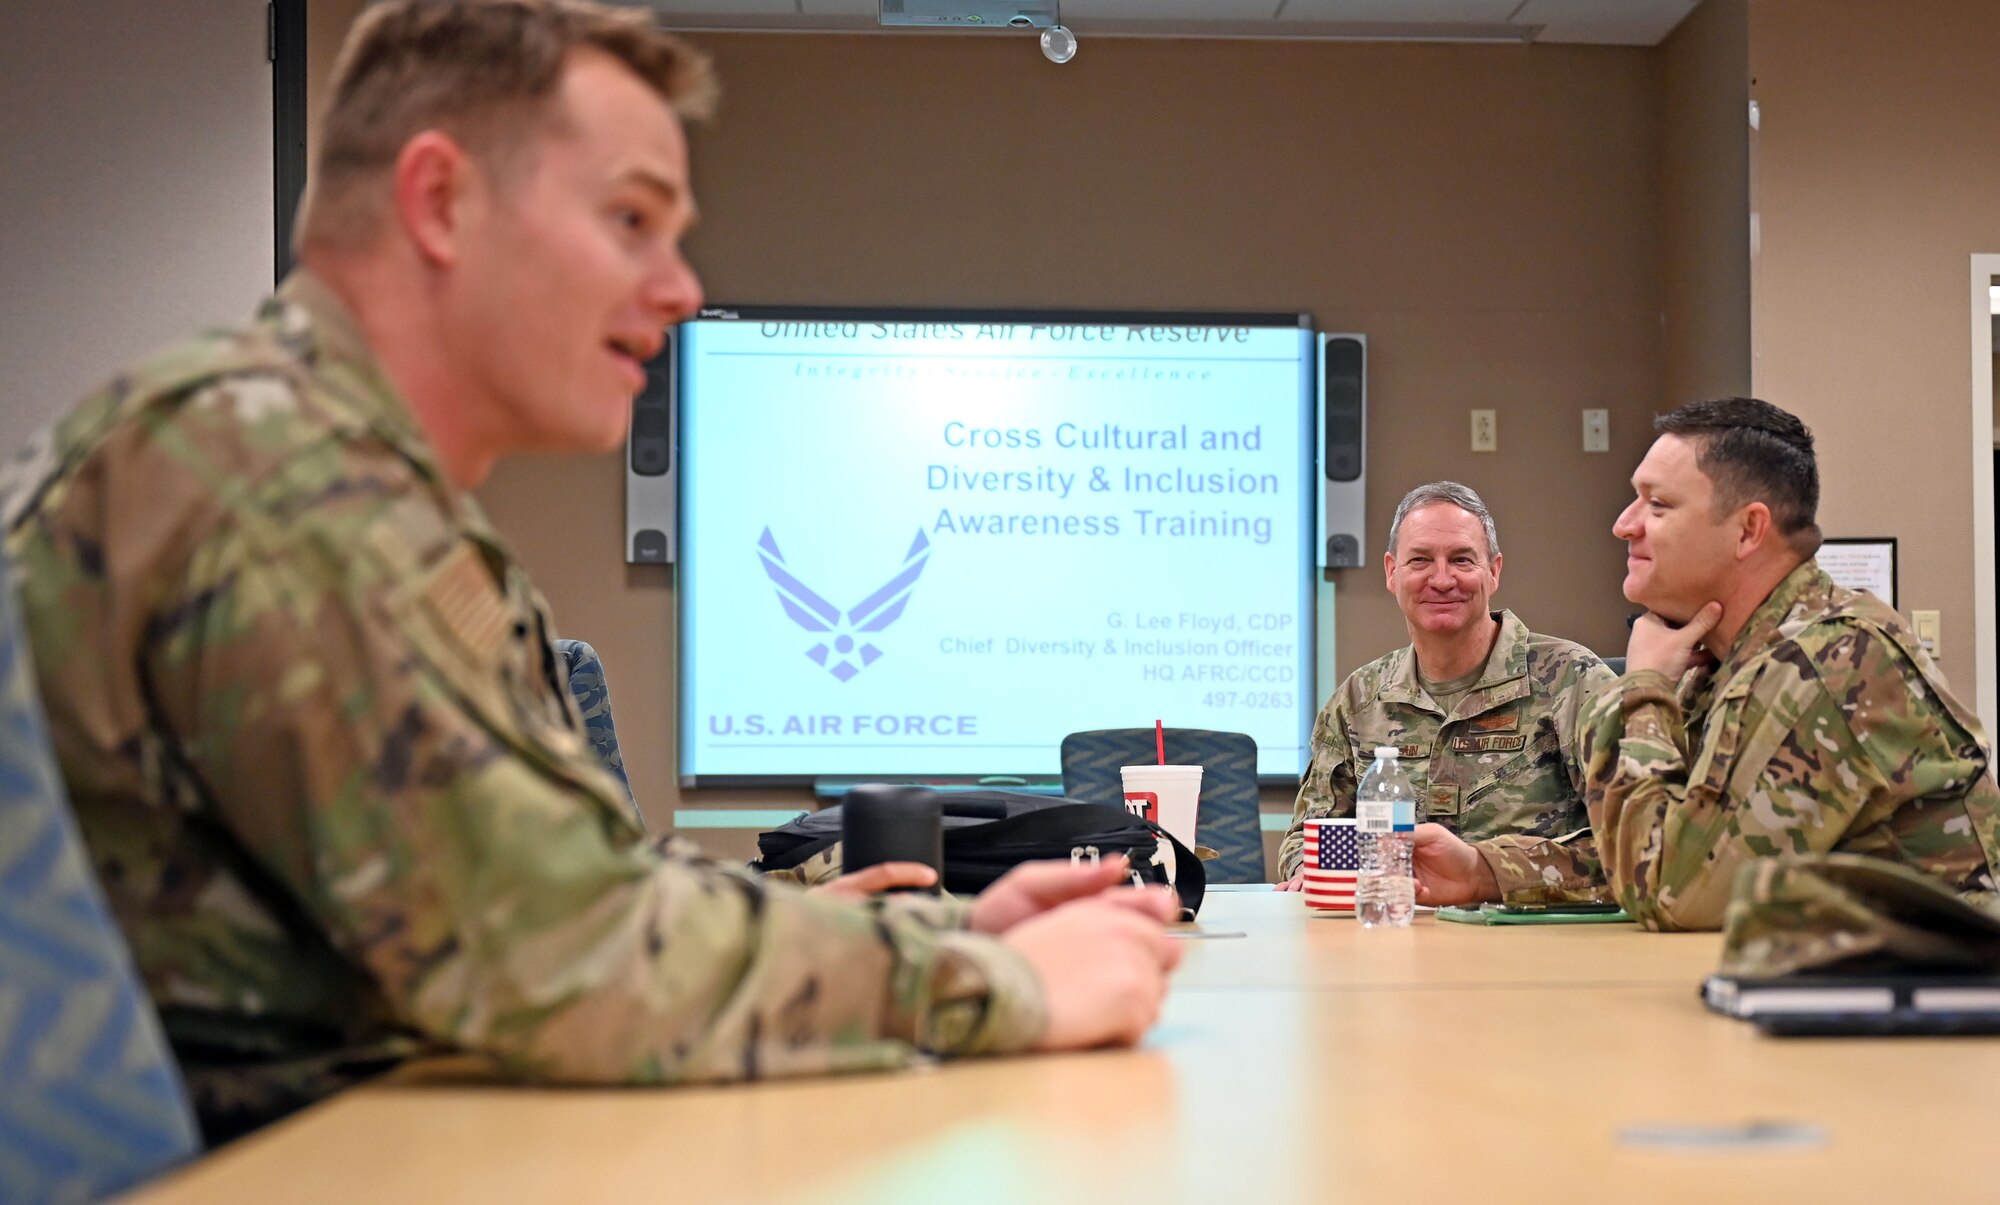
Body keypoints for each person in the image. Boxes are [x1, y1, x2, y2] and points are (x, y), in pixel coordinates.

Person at [0, 0, 1179, 1143]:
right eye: (630, 220)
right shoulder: (277, 486)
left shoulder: (331, 474)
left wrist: (956, 927)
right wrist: (985, 984)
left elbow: (560, 886)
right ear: (441, 200)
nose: (677, 287)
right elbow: (560, 955)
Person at [1411, 398, 2000, 930]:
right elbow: (1670, 845)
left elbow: (1675, 891)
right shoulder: (1729, 660)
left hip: (1932, 1020)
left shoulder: (1831, 661)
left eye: (1658, 505)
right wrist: (1485, 872)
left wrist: (1641, 689)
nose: (1624, 524)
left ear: (1748, 530)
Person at [1275, 482, 1614, 900]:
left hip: (1532, 942)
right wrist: (1313, 868)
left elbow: (1633, 846)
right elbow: (1307, 837)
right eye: (1419, 560)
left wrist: (1489, 873)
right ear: (1391, 572)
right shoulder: (1359, 701)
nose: (1441, 579)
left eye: (1461, 560)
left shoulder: (1571, 679)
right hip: (1391, 941)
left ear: (1494, 570)